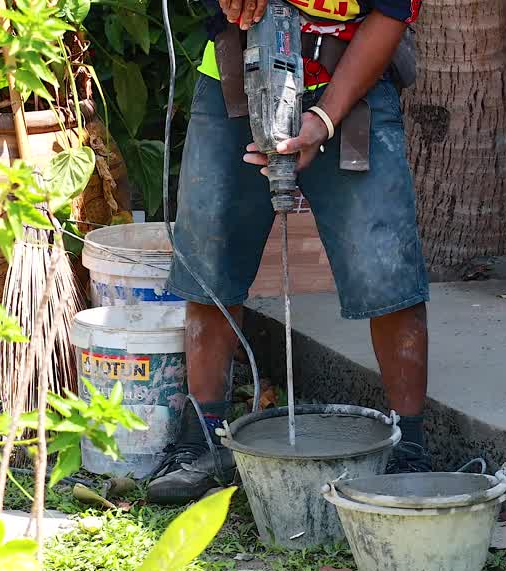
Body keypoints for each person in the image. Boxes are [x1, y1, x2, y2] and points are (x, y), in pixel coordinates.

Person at [145, 0, 430, 505]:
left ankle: (410, 448)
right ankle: (203, 440)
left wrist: (324, 118)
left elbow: (389, 13)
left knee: (386, 269)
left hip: (351, 76)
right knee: (211, 260)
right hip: (237, 72)